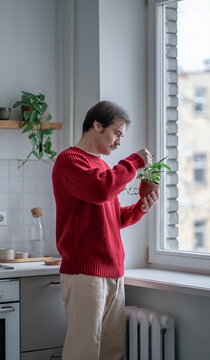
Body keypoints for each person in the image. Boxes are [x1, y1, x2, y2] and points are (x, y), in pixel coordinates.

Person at [52, 101, 159, 360]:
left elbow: (113, 217)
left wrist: (141, 208)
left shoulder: (102, 168)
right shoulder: (70, 160)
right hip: (85, 272)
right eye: (117, 133)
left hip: (113, 270)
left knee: (110, 352)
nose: (119, 141)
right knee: (83, 353)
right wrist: (134, 162)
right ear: (97, 126)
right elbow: (101, 191)